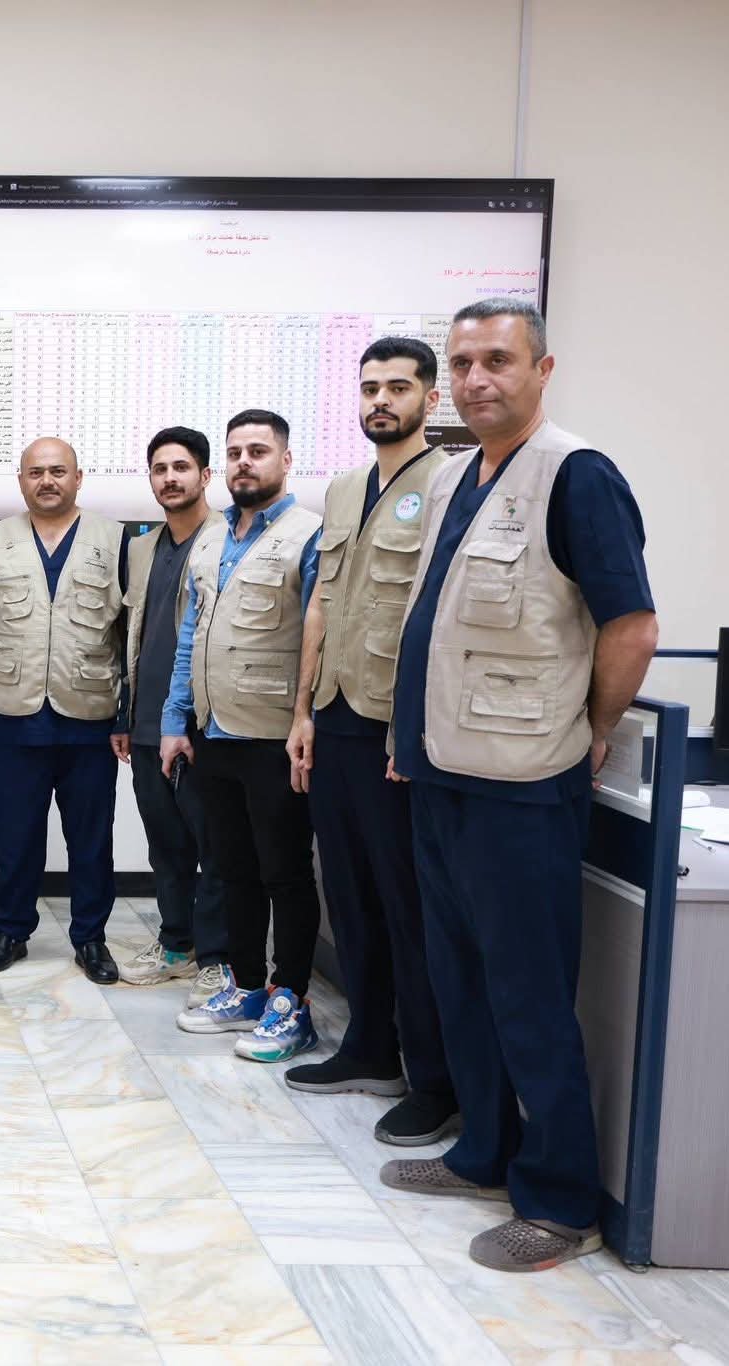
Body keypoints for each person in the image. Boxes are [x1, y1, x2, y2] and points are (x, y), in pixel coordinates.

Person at [379, 298, 655, 1273]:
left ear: (542, 369)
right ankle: (482, 1151)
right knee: (460, 982)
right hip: (441, 776)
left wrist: (595, 728)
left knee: (530, 996)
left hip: (522, 786)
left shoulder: (576, 476)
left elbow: (631, 626)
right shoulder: (460, 473)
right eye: (461, 363)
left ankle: (558, 1201)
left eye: (496, 359)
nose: (474, 379)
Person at [284, 338, 456, 1145]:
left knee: (405, 906)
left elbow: (437, 617)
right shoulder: (345, 488)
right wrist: (302, 712)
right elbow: (322, 603)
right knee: (348, 897)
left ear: (429, 399)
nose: (380, 400)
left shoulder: (451, 483)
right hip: (335, 716)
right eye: (369, 388)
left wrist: (410, 728)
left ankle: (432, 1079)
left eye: (397, 387)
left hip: (397, 730)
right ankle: (368, 1048)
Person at [161, 409, 324, 1062]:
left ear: (286, 460)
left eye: (258, 451)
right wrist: (175, 721)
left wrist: (305, 717)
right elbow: (190, 636)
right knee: (233, 870)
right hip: (214, 733)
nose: (244, 462)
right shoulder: (211, 537)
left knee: (285, 872)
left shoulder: (308, 534)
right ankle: (249, 986)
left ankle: (292, 1001)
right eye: (234, 452)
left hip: (273, 735)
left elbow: (318, 638)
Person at [0, 437, 129, 981]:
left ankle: (90, 939)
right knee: (14, 834)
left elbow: (128, 629)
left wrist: (126, 713)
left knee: (91, 838)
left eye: (58, 471)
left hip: (90, 717)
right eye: (36, 472)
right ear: (21, 480)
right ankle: (11, 931)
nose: (47, 481)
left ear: (78, 478)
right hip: (16, 716)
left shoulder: (115, 539)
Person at [115, 427, 228, 1004]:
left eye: (181, 467)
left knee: (214, 844)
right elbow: (131, 635)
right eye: (160, 469)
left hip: (202, 725)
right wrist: (125, 714)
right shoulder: (142, 547)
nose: (170, 478)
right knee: (165, 844)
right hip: (146, 722)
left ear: (205, 475)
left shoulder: (228, 539)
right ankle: (176, 945)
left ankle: (217, 957)